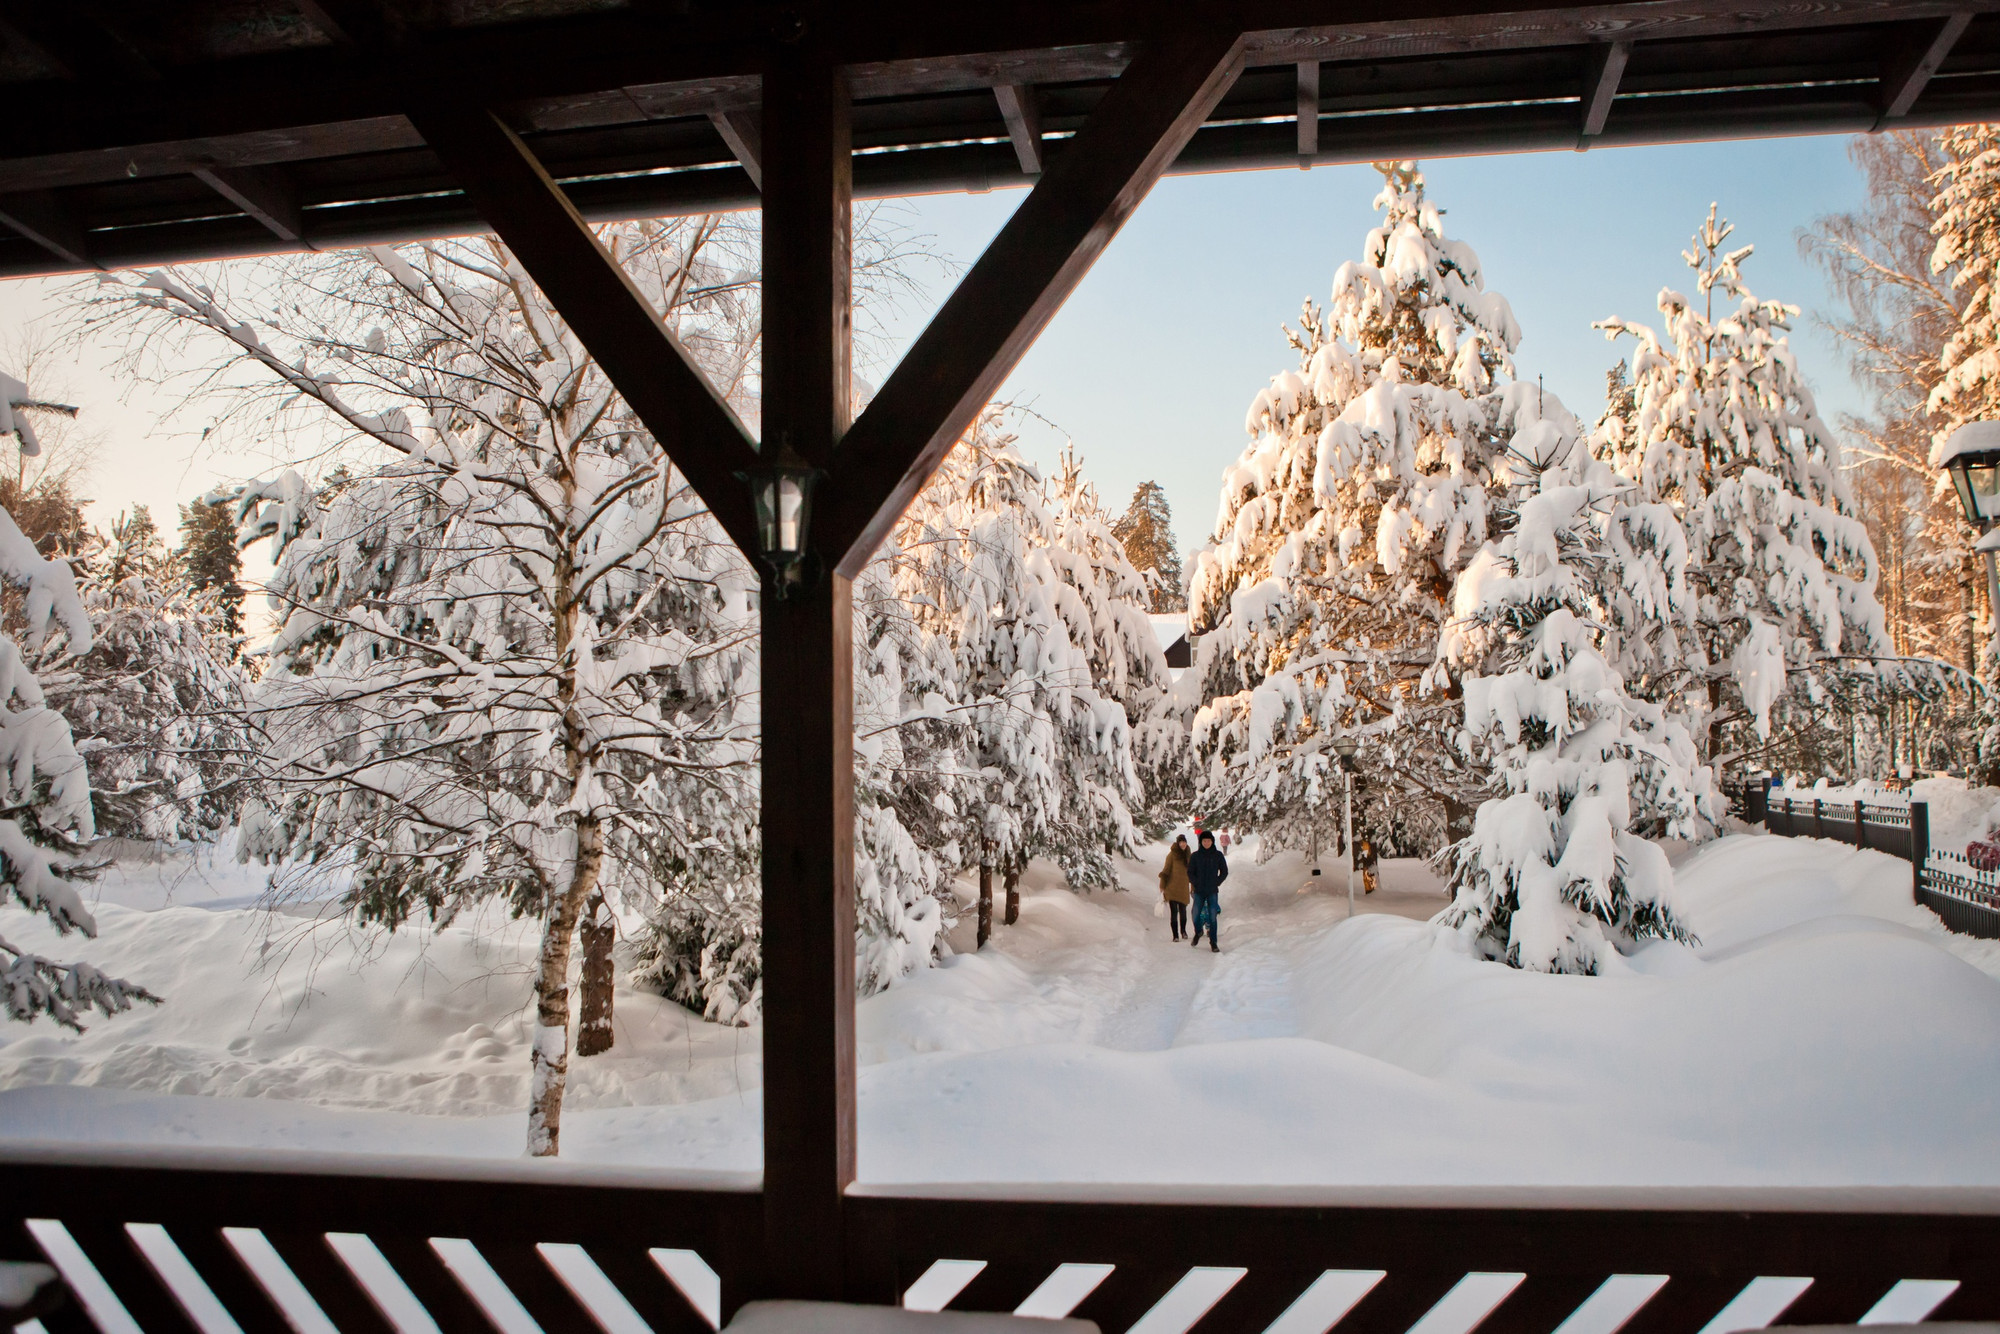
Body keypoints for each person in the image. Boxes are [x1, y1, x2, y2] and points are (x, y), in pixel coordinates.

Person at [1187, 830, 1228, 952]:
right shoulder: (1195, 856)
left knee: (1212, 917)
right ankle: (1198, 931)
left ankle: (1213, 942)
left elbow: (1224, 871)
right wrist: (1195, 882)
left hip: (1212, 891)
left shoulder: (1218, 855)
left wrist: (1217, 882)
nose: (1206, 843)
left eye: (1208, 841)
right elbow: (1190, 872)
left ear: (1212, 841)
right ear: (1201, 842)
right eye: (1204, 841)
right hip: (1199, 891)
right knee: (1195, 914)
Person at [1158, 834, 1192, 940]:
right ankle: (1175, 935)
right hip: (1172, 888)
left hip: (1183, 888)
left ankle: (1183, 931)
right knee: (1174, 912)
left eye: (1184, 842)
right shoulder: (1172, 855)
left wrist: (1194, 885)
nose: (1183, 844)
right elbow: (1166, 870)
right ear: (1178, 843)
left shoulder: (1188, 855)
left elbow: (1192, 872)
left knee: (1183, 911)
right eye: (1181, 842)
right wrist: (1162, 885)